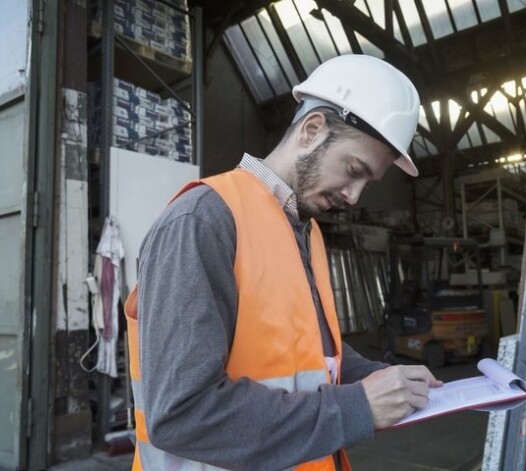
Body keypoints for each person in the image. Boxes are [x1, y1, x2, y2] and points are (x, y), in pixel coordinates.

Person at [124, 54, 442, 471]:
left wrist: (382, 380)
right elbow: (183, 413)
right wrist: (357, 407)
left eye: (367, 182)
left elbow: (305, 354)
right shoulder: (203, 221)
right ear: (312, 130)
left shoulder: (305, 231)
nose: (354, 196)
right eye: (353, 170)